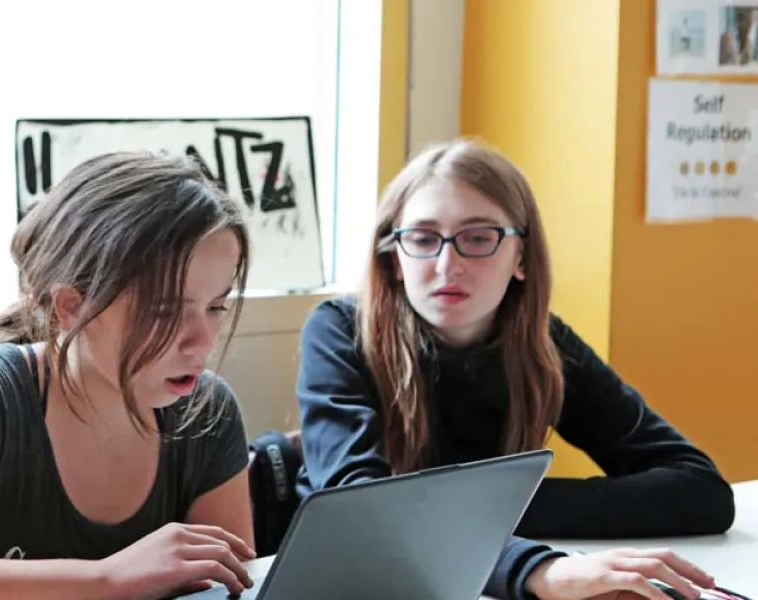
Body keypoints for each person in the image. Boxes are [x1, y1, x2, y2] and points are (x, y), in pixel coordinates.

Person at [294, 139, 737, 600]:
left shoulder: (544, 344)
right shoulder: (340, 331)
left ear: (521, 257)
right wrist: (536, 568)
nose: (448, 265)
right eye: (423, 239)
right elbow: (361, 516)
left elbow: (700, 491)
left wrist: (491, 512)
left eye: (479, 238)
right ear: (394, 259)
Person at [0, 151, 260, 600]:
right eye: (164, 311)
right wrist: (107, 579)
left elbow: (231, 587)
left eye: (216, 307)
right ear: (71, 306)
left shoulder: (209, 412)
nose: (202, 342)